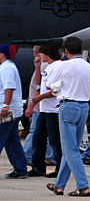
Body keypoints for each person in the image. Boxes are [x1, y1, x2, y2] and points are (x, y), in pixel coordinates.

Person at [45, 37, 90, 197]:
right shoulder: (88, 67)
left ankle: (83, 185)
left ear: (66, 51)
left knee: (70, 149)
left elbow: (50, 84)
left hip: (68, 105)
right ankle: (59, 185)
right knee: (71, 148)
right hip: (84, 107)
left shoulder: (64, 65)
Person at [25, 45, 63, 177]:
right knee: (38, 137)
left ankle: (59, 167)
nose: (39, 55)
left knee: (54, 140)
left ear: (47, 54)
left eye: (41, 53)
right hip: (45, 109)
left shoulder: (58, 67)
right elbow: (39, 83)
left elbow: (54, 90)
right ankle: (38, 166)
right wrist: (37, 67)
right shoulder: (46, 66)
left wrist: (38, 98)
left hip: (53, 109)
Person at [1, 45, 27, 179]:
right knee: (12, 140)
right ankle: (21, 169)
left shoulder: (6, 68)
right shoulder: (8, 67)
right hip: (12, 110)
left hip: (7, 111)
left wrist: (5, 106)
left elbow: (8, 88)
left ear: (1, 55)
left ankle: (21, 169)